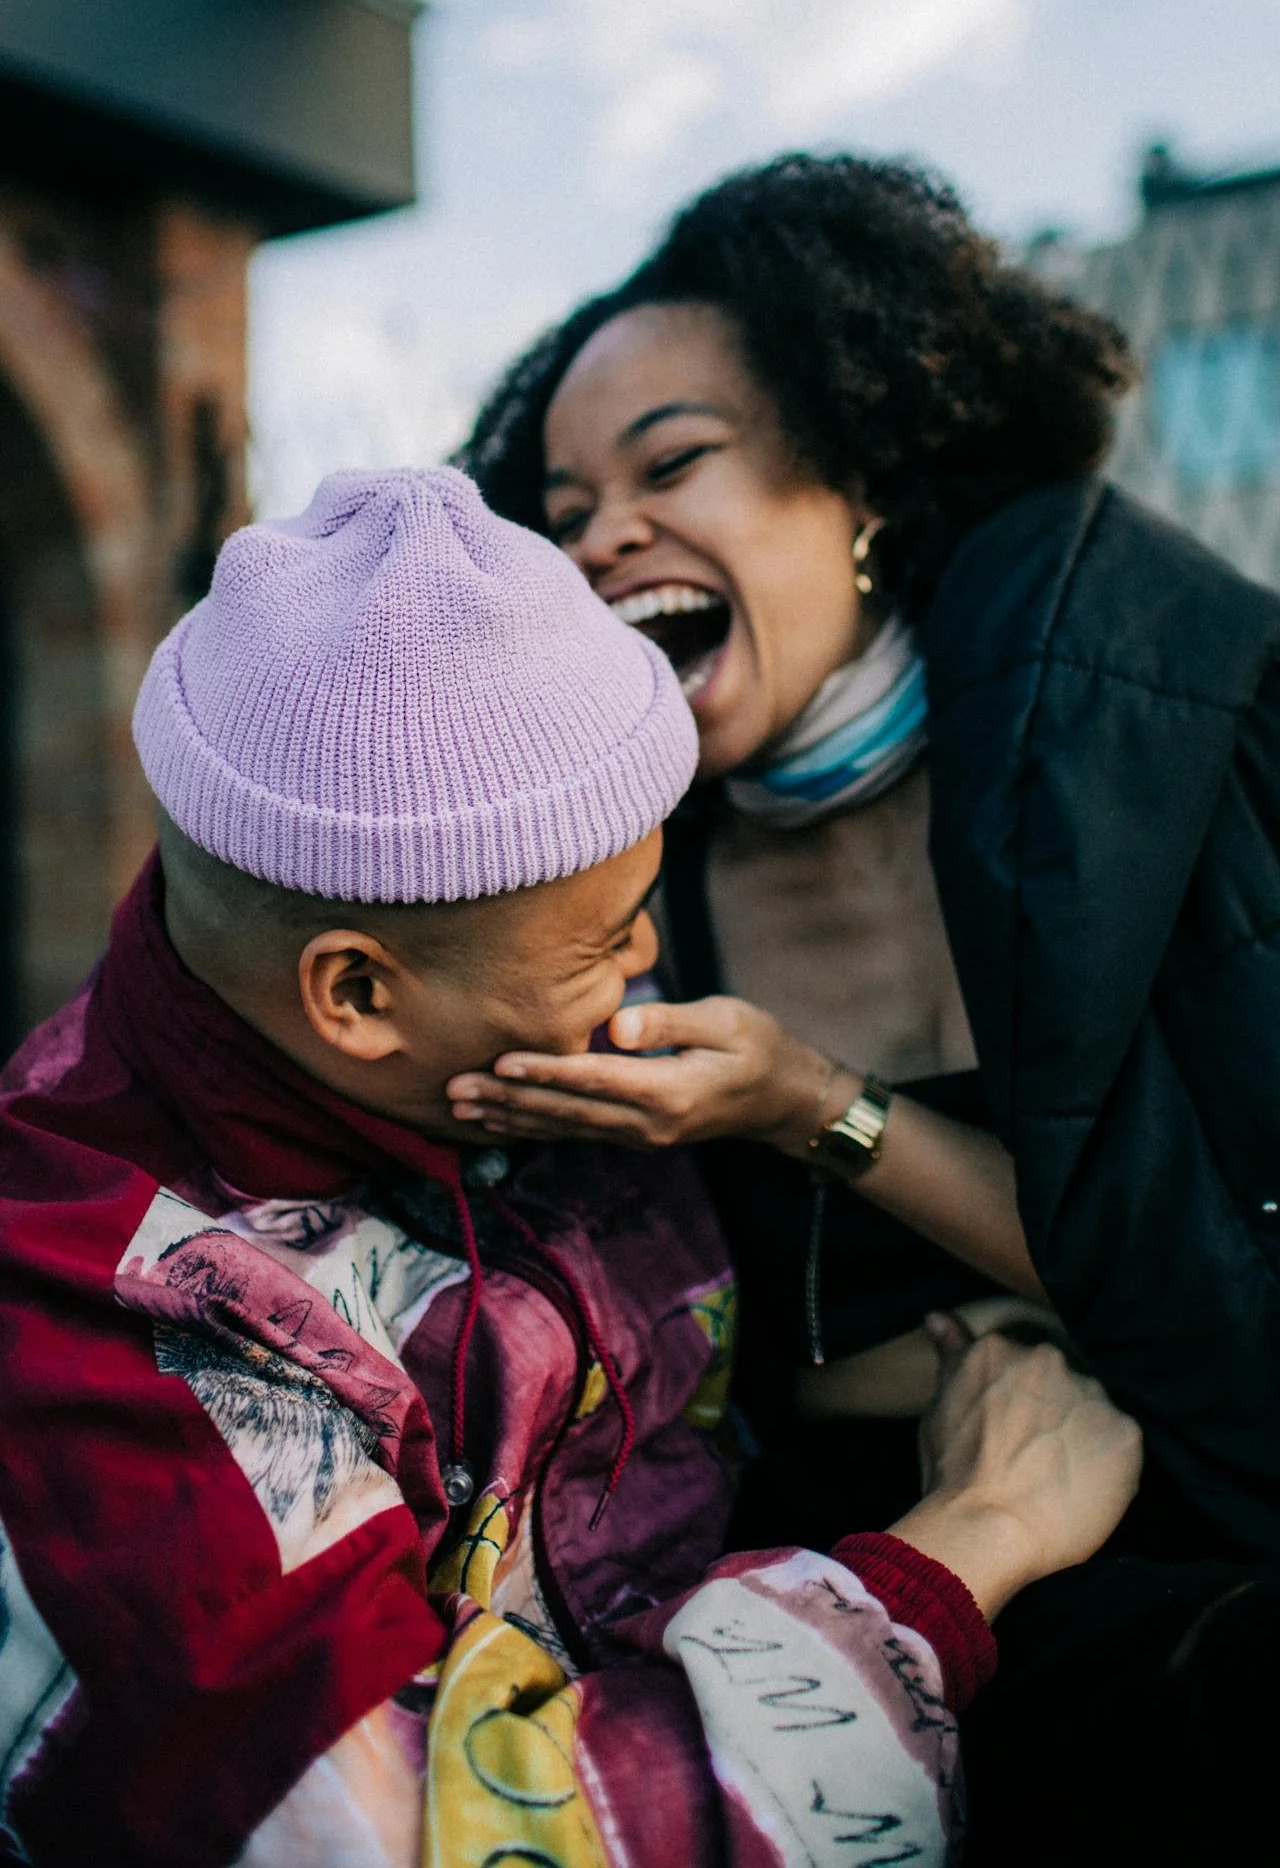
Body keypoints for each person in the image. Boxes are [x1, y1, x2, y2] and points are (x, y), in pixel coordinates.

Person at [0, 465, 1140, 1867]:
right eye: (606, 941)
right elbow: (446, 1837)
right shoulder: (102, 1336)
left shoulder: (483, 1076)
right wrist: (970, 1542)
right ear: (356, 995)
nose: (651, 964)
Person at [456, 151, 1280, 1573]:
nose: (601, 541)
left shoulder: (1170, 758)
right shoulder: (617, 893)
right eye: (567, 510)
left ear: (856, 477)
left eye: (671, 463)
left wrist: (811, 1103)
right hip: (832, 1586)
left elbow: (1205, 1284)